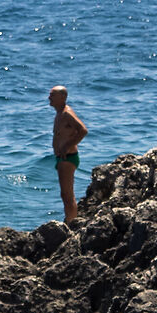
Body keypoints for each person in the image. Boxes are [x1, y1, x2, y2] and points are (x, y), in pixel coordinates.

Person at [49, 86, 89, 225]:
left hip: (68, 158)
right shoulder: (59, 113)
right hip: (62, 159)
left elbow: (83, 130)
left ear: (62, 97)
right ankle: (70, 220)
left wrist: (67, 146)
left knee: (68, 195)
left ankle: (72, 224)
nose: (49, 98)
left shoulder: (67, 113)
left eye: (52, 95)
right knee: (65, 194)